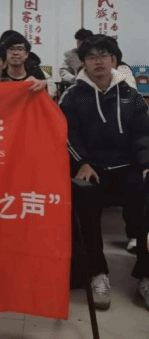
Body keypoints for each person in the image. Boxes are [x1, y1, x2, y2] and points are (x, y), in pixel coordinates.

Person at [59, 34, 149, 311]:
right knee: (85, 200)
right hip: (93, 168)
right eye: (91, 56)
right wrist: (82, 163)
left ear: (114, 59)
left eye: (104, 55)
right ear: (83, 62)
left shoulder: (130, 95)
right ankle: (98, 272)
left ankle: (146, 275)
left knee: (146, 195)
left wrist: (146, 164)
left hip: (128, 166)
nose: (98, 61)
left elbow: (143, 134)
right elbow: (68, 135)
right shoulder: (73, 96)